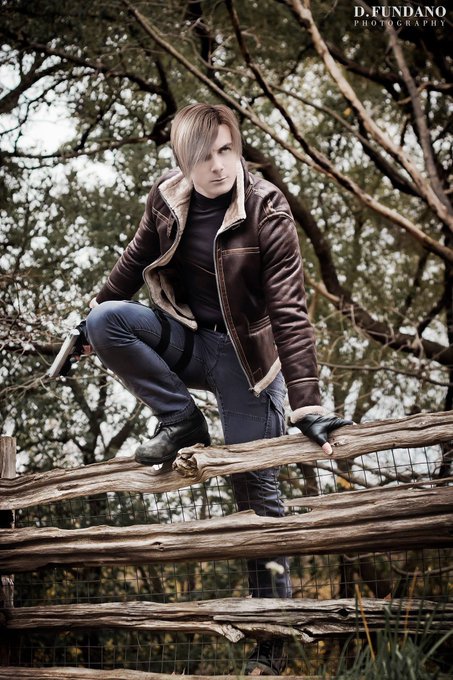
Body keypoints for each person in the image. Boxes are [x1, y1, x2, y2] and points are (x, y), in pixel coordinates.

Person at [85, 103, 351, 676]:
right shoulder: (166, 198)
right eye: (203, 156)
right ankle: (182, 420)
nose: (218, 166)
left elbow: (289, 310)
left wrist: (307, 401)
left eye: (226, 150)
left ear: (238, 147)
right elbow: (132, 262)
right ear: (182, 161)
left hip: (247, 362)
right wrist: (86, 322)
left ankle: (270, 642)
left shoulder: (266, 207)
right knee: (106, 321)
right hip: (189, 340)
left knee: (255, 494)